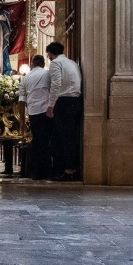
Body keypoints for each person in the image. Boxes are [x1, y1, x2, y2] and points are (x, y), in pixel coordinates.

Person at [45, 40, 82, 181]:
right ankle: (68, 168)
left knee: (63, 138)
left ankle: (68, 170)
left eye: (48, 54)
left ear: (50, 53)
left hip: (64, 102)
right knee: (70, 137)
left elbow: (56, 84)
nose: (48, 57)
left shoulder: (55, 63)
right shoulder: (72, 62)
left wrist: (50, 105)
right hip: (75, 100)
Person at [19, 54, 53, 180]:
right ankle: (46, 171)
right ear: (43, 64)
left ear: (32, 64)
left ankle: (35, 171)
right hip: (47, 111)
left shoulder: (26, 78)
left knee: (38, 141)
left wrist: (22, 121)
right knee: (47, 142)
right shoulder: (47, 74)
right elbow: (53, 90)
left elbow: (22, 100)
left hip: (33, 112)